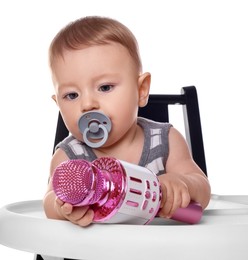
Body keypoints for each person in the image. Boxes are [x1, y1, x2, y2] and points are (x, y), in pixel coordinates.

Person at [43, 16, 211, 227]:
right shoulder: (70, 157)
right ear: (58, 104)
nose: (87, 105)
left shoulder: (165, 141)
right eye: (71, 95)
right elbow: (49, 201)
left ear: (141, 90)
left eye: (105, 88)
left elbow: (203, 191)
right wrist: (63, 208)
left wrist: (183, 183)